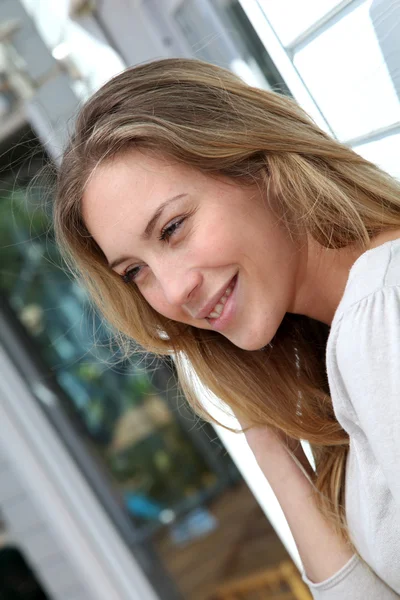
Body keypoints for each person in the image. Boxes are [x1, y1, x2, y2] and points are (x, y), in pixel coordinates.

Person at [54, 58, 400, 599]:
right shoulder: (348, 334)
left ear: (258, 166)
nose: (171, 293)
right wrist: (264, 433)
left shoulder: (379, 315)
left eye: (173, 228)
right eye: (136, 271)